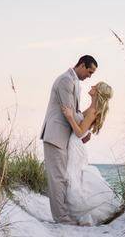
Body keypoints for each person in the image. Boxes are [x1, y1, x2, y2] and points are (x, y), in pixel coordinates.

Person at [39, 55, 97, 223]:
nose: (90, 76)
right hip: (55, 135)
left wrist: (84, 127)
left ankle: (64, 214)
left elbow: (75, 114)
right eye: (89, 71)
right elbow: (69, 111)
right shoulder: (66, 80)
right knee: (57, 178)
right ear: (81, 65)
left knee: (63, 177)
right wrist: (83, 132)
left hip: (63, 137)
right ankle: (61, 218)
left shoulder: (73, 81)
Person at [60, 80, 119, 225]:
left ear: (98, 92)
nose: (92, 86)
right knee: (73, 176)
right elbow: (83, 130)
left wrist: (69, 116)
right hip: (75, 143)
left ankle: (73, 211)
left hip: (75, 144)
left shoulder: (93, 111)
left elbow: (79, 132)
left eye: (95, 86)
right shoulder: (92, 108)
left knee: (73, 176)